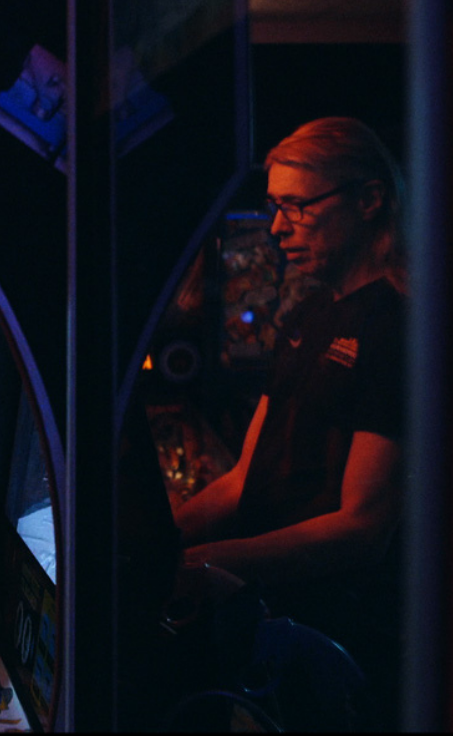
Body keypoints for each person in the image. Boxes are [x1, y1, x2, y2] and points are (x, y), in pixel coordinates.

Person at [171, 117, 406, 728]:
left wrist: (204, 565)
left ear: (370, 200)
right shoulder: (309, 311)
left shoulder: (398, 326)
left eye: (297, 207)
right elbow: (244, 477)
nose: (277, 228)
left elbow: (363, 526)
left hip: (340, 641)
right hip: (272, 616)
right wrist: (157, 543)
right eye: (274, 207)